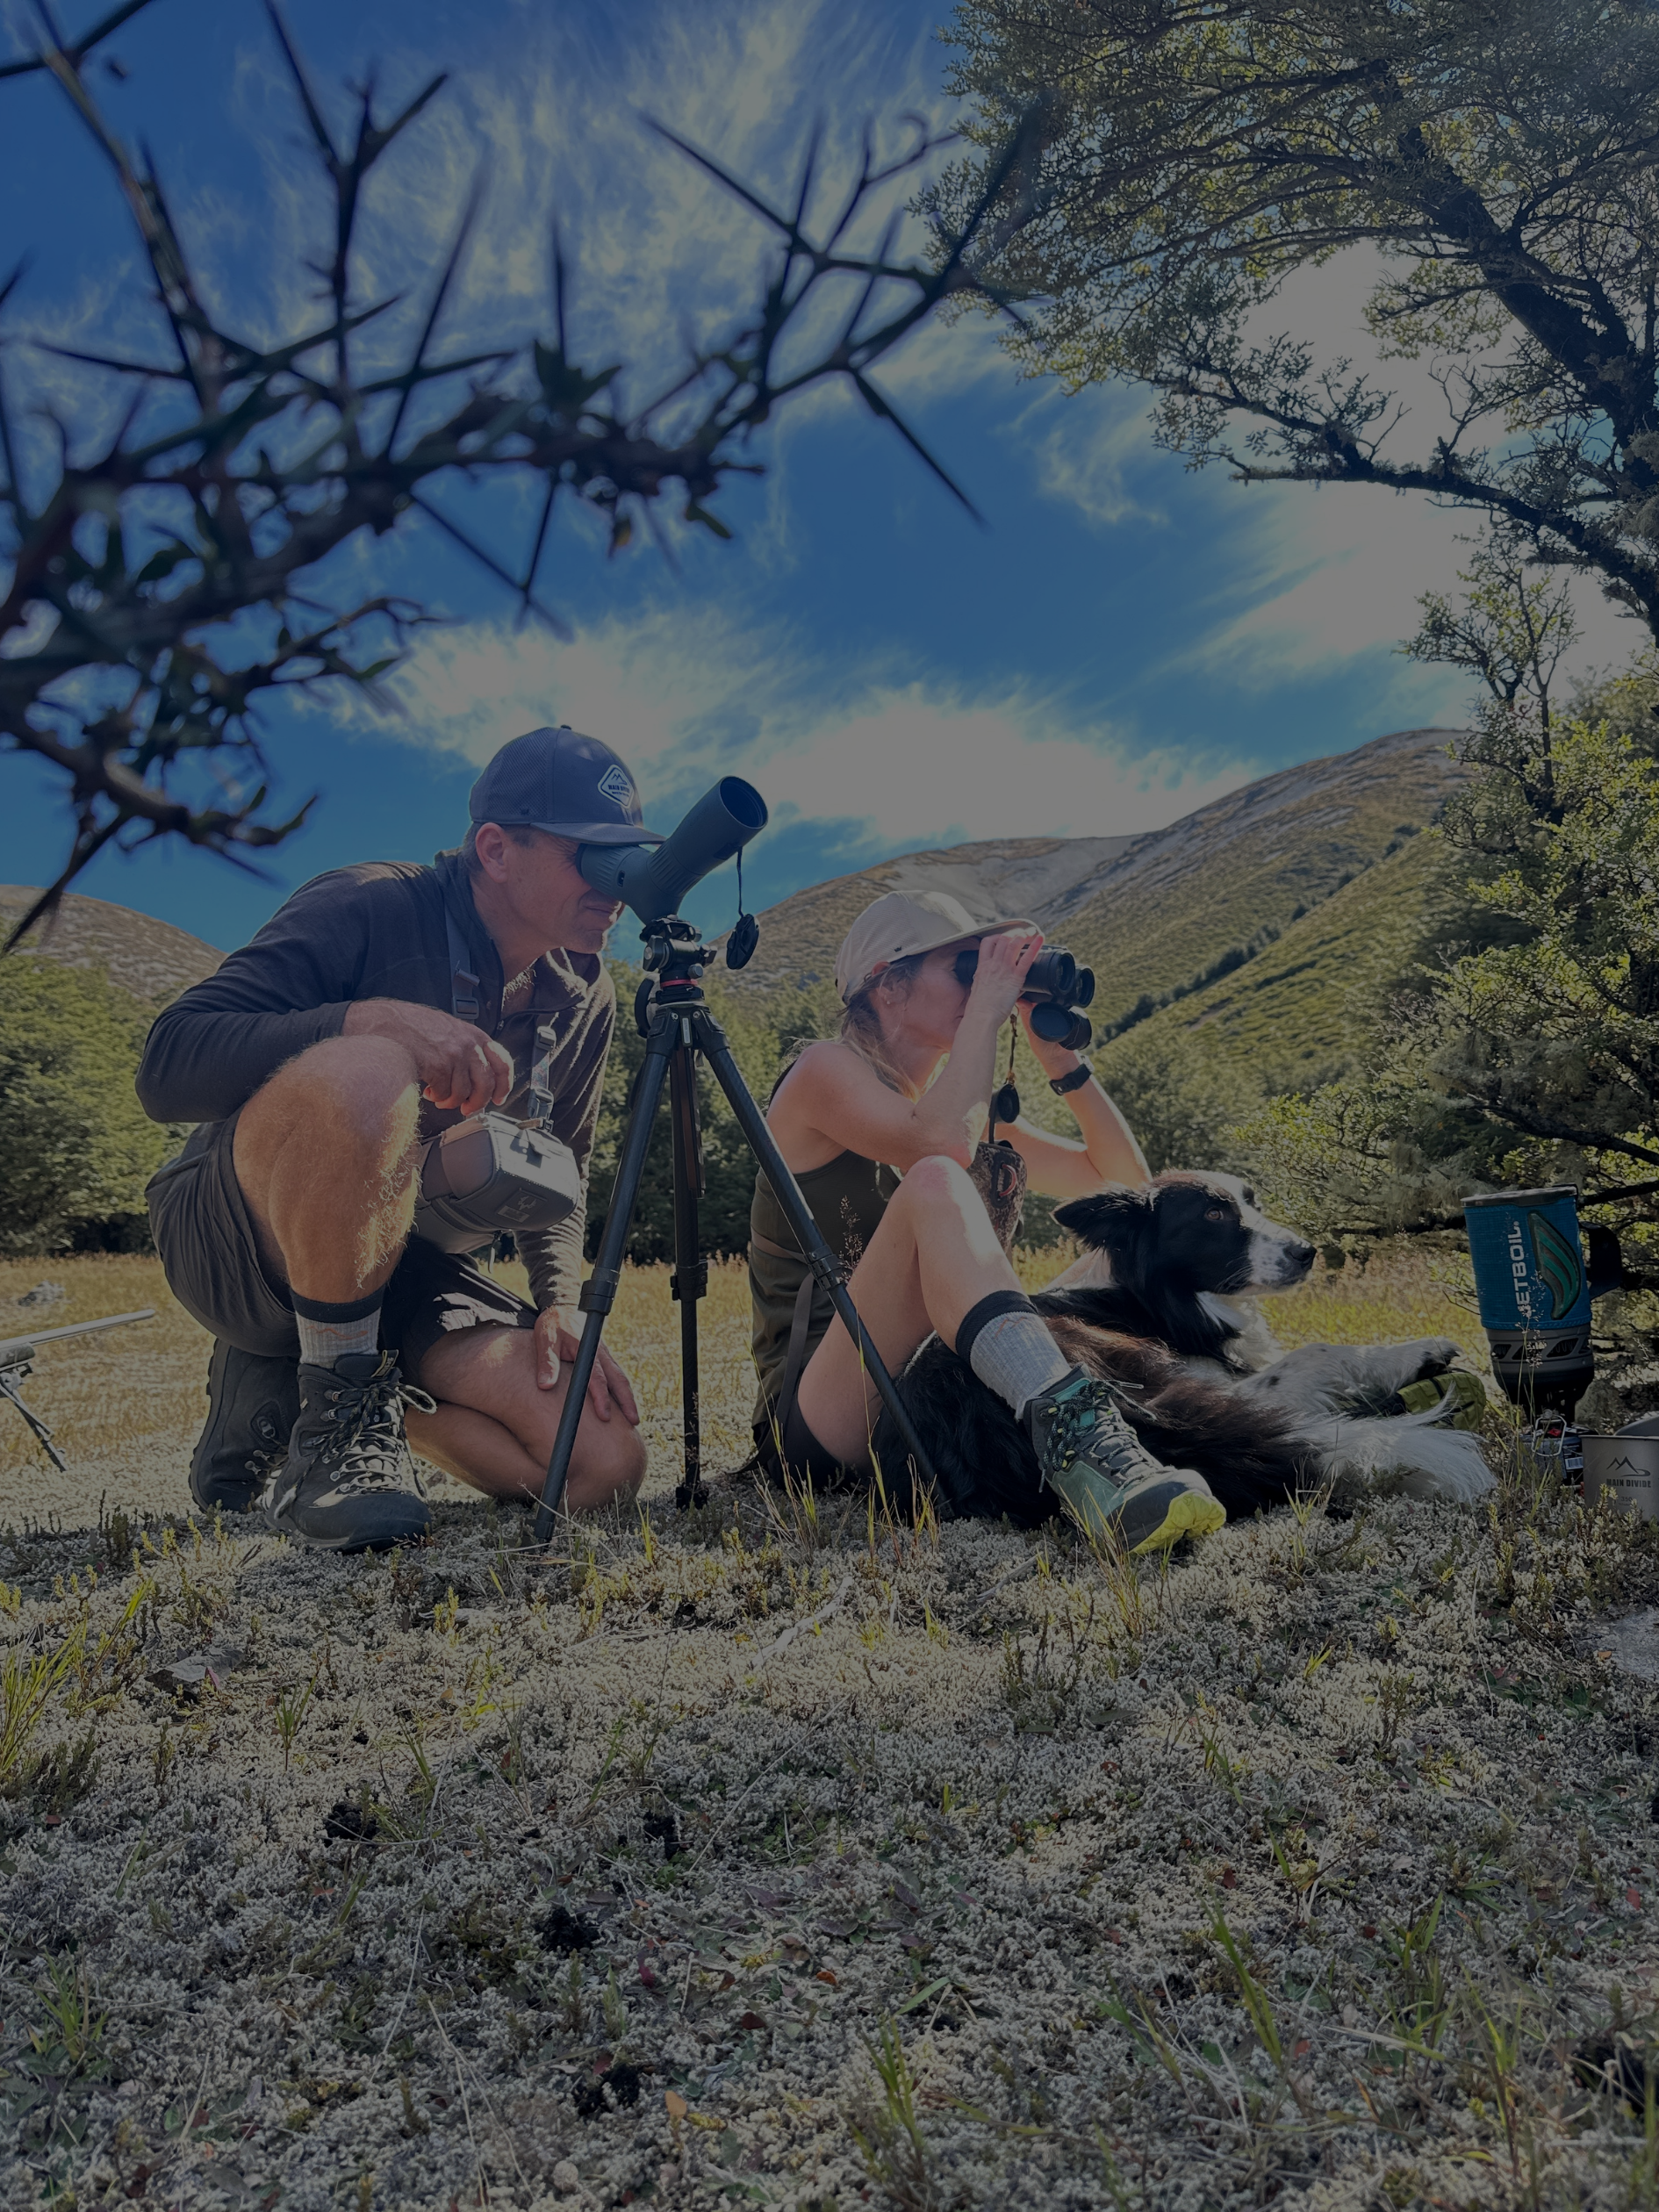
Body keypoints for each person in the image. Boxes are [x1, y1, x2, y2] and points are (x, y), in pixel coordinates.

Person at [137, 726, 648, 1552]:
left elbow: (566, 1159)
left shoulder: (585, 991)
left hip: (403, 1257)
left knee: (601, 1465)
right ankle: (329, 1425)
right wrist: (362, 1020)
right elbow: (167, 1065)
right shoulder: (372, 902)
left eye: (626, 854)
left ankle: (313, 1393)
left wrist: (558, 1298)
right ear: (495, 848)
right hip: (234, 1241)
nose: (617, 882)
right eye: (591, 853)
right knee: (371, 1068)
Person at [748, 889, 1223, 1554]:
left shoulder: (960, 1111)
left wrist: (1064, 1065)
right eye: (965, 968)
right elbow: (933, 1146)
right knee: (939, 1179)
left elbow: (1121, 1183)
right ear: (887, 986)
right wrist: (992, 1004)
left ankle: (1105, 1445)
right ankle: (1082, 1443)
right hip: (821, 1417)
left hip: (929, 1394)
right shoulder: (823, 1070)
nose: (982, 988)